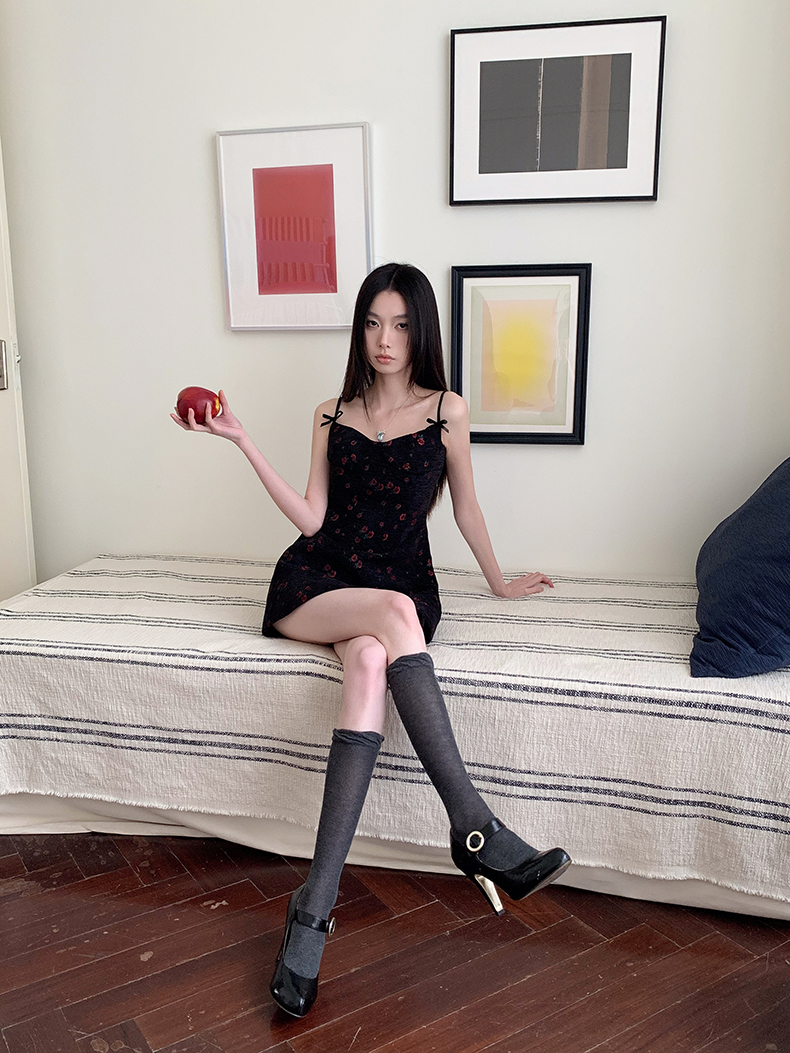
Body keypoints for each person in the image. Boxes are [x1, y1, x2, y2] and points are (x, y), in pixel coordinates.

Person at [172, 262, 571, 1018]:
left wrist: (498, 582)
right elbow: (312, 518)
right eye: (372, 322)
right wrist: (241, 438)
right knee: (388, 617)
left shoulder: (446, 411)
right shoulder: (331, 413)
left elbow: (467, 509)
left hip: (398, 590)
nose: (385, 339)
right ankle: (475, 829)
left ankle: (313, 907)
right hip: (318, 583)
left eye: (401, 324)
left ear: (422, 332)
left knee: (368, 660)